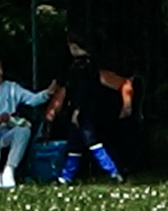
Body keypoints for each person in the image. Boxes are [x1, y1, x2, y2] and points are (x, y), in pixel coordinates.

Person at [51, 34, 132, 185]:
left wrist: (76, 110)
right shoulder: (92, 66)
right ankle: (66, 176)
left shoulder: (79, 67)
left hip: (83, 111)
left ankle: (113, 171)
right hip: (90, 109)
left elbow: (81, 91)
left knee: (91, 142)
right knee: (75, 144)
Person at [0, 56, 55, 189]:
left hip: (6, 132)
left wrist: (48, 93)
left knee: (23, 130)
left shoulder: (11, 88)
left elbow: (32, 99)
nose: (0, 72)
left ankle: (9, 170)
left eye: (0, 68)